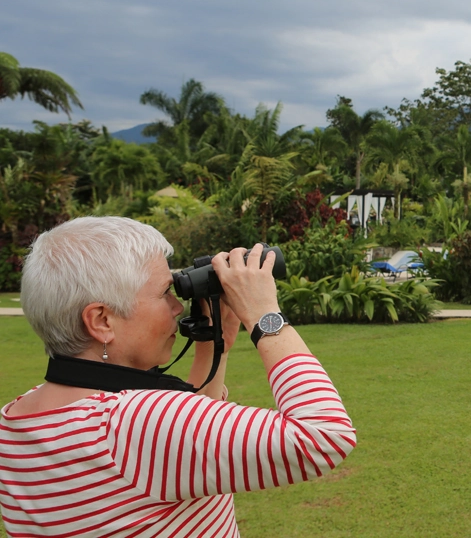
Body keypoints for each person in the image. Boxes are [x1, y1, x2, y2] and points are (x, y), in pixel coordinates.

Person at [0, 217, 356, 537]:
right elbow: (324, 436)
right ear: (102, 320)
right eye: (164, 293)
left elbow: (180, 448)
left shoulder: (15, 423)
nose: (177, 307)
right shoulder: (129, 422)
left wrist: (213, 347)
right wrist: (265, 315)